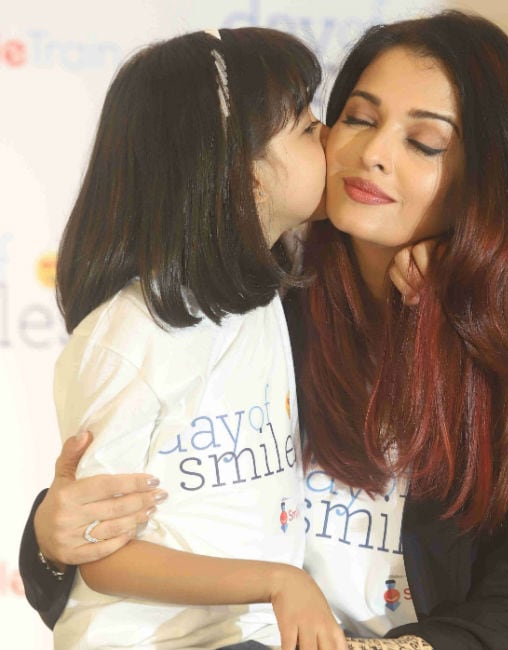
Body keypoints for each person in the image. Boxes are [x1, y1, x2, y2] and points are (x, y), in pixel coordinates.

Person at [20, 11, 508, 650]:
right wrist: (54, 539)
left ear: (491, 178)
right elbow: (130, 538)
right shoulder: (260, 311)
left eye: (424, 142)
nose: (373, 154)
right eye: (357, 118)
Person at [27, 26, 349, 650]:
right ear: (242, 172)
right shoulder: (130, 334)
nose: (331, 139)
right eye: (308, 128)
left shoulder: (262, 297)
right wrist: (278, 582)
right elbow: (100, 551)